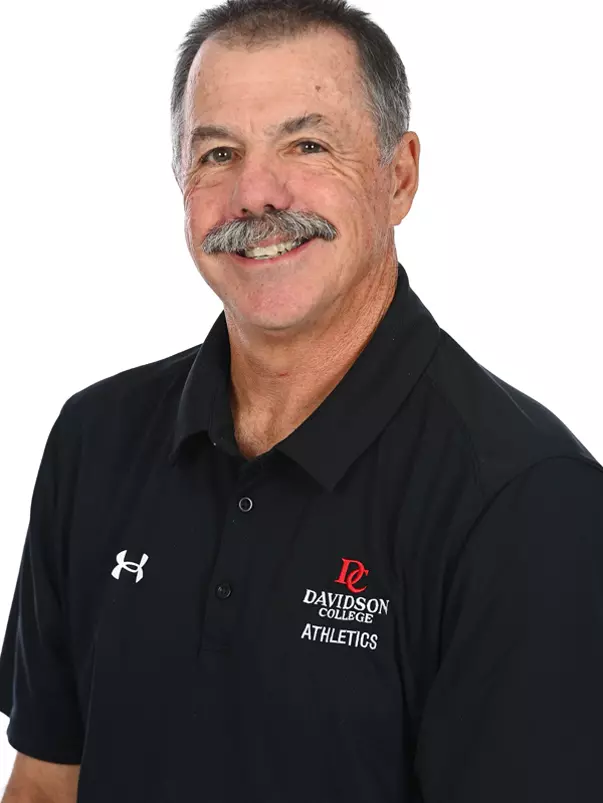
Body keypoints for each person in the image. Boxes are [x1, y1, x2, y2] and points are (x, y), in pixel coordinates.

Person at [1, 0, 602, 801]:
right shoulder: (95, 437)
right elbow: (46, 783)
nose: (254, 194)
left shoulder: (527, 498)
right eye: (217, 152)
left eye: (307, 143)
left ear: (399, 176)